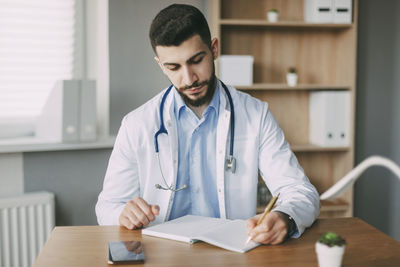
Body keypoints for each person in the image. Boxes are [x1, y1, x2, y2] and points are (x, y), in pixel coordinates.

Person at [96, 3, 320, 245]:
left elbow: (301, 192)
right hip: (162, 253)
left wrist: (284, 217)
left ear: (214, 49)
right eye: (174, 67)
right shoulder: (137, 124)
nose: (189, 78)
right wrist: (123, 213)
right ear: (160, 64)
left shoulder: (256, 115)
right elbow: (107, 206)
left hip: (231, 253)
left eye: (196, 60)